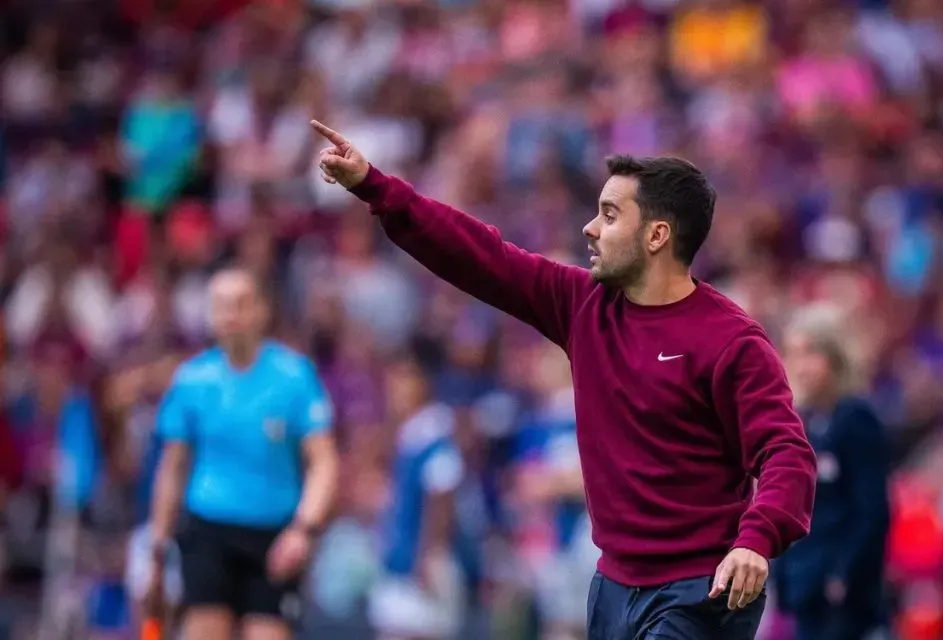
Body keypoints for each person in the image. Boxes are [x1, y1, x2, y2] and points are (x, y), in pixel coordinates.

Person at [312, 120, 817, 640]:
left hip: (700, 589)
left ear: (657, 235)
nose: (590, 229)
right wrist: (374, 186)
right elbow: (479, 256)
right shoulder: (583, 306)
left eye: (610, 215)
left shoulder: (731, 341)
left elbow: (786, 451)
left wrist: (756, 540)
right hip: (612, 586)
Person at [143, 267, 341, 640]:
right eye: (220, 306)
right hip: (207, 530)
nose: (230, 315)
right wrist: (157, 545)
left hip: (274, 536)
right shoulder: (192, 380)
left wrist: (304, 530)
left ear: (262, 311)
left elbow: (324, 461)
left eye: (240, 304)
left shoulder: (295, 377)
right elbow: (172, 468)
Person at [774, 305, 891, 640]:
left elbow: (872, 511)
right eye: (792, 353)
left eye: (810, 353)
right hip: (805, 583)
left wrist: (844, 573)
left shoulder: (857, 420)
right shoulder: (803, 423)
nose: (799, 366)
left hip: (841, 595)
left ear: (835, 358)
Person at [368, 356, 466, 640]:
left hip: (419, 565)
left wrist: (429, 557)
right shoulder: (408, 436)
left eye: (403, 383)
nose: (395, 392)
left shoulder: (434, 437)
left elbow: (442, 499)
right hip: (401, 559)